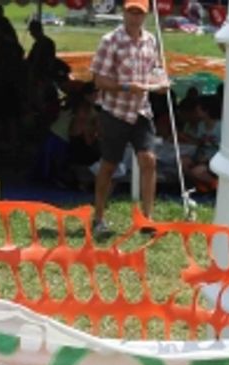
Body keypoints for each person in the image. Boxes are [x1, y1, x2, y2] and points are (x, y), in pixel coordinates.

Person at [90, 0, 167, 235]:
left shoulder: (151, 40)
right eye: (131, 12)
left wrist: (160, 82)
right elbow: (99, 80)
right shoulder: (110, 41)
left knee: (149, 160)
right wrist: (125, 87)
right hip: (115, 111)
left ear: (146, 15)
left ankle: (147, 218)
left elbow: (156, 70)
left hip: (141, 110)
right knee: (109, 165)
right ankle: (98, 217)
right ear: (124, 13)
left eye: (139, 13)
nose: (135, 17)